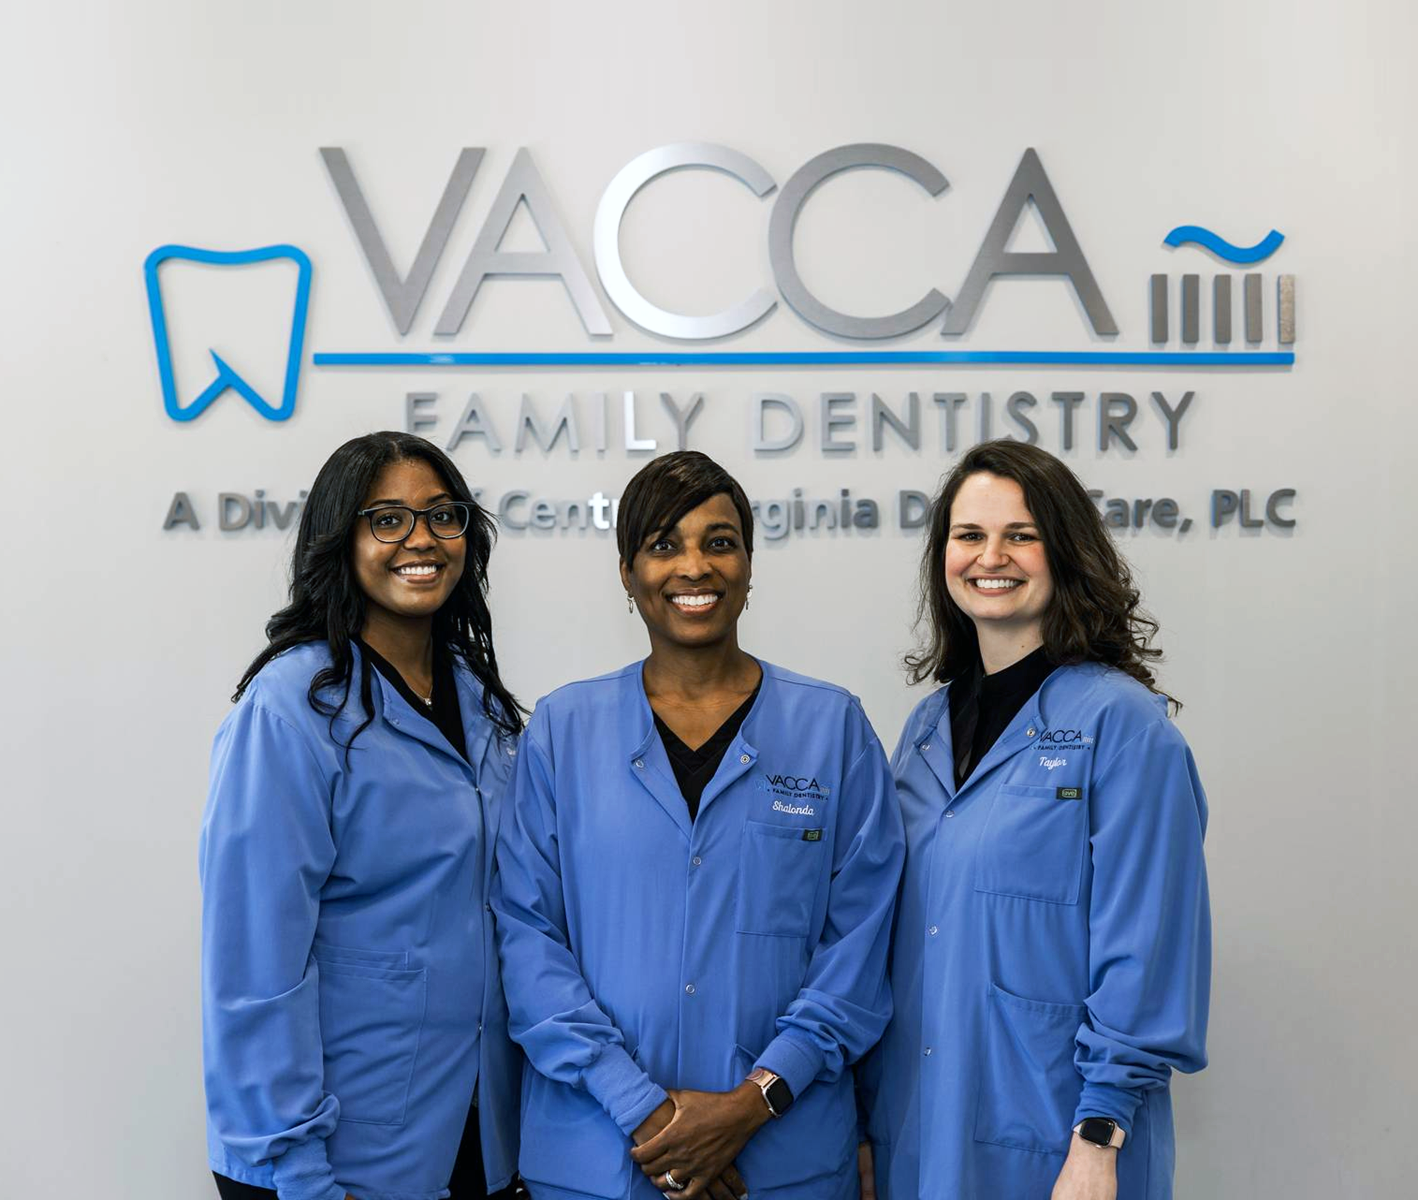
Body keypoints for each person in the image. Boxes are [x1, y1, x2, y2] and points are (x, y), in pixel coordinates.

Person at [493, 451, 905, 1200]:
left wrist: (751, 1106)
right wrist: (648, 1113)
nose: (695, 566)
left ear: (749, 565)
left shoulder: (832, 729)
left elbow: (862, 944)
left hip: (781, 1163)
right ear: (627, 573)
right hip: (599, 1161)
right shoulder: (562, 731)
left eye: (719, 541)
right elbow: (527, 939)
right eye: (663, 545)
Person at [862, 440, 1211, 1200]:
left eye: (1021, 534)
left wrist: (1099, 1138)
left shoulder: (1123, 727)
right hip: (920, 1133)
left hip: (1063, 1144)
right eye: (969, 536)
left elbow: (1149, 952)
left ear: (1065, 550)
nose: (993, 556)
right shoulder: (925, 728)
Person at [199, 432, 524, 1200]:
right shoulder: (292, 707)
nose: (421, 539)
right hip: (335, 1154)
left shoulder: (485, 706)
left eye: (443, 516)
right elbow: (254, 964)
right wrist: (295, 1169)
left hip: (480, 1134)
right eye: (388, 519)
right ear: (338, 539)